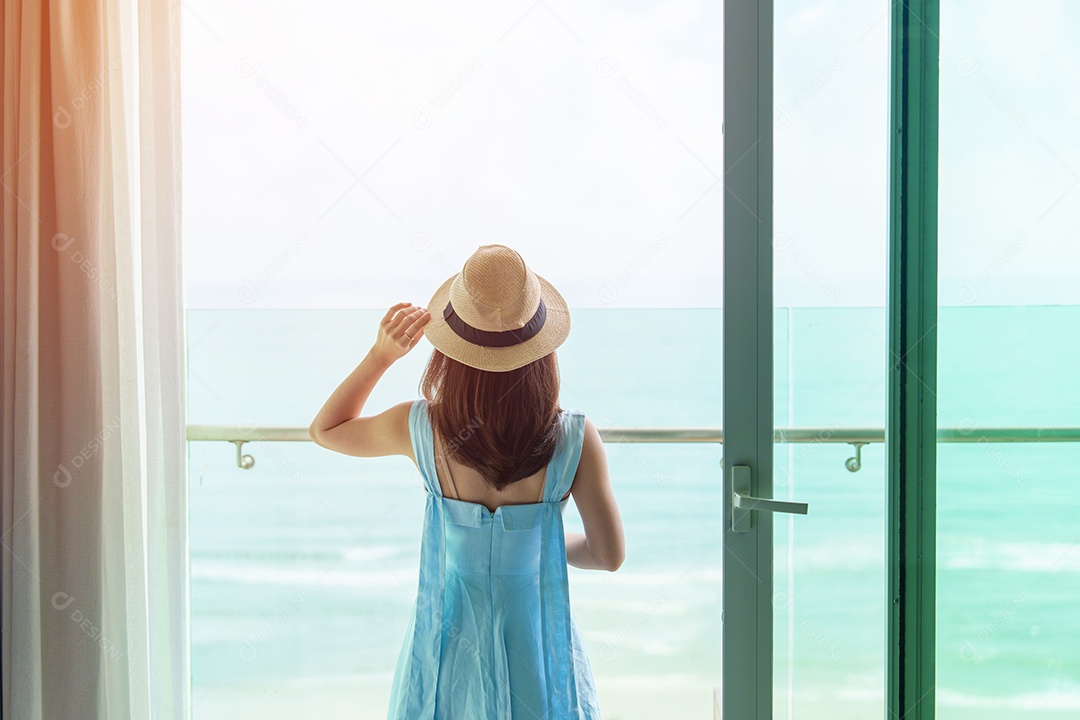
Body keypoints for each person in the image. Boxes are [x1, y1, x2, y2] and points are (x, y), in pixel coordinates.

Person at [309, 244, 625, 719]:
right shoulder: (575, 438)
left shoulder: (418, 428)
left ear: (450, 351)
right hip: (537, 651)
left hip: (448, 652)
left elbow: (326, 430)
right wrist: (533, 543)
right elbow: (608, 555)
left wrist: (381, 354)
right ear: (541, 353)